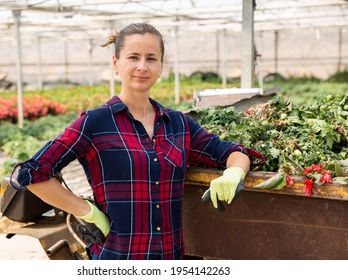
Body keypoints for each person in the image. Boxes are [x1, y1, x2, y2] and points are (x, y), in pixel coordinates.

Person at [16, 23, 254, 260]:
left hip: (170, 257)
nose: (142, 66)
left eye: (151, 58)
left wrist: (234, 173)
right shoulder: (96, 122)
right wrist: (86, 211)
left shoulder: (179, 124)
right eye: (133, 57)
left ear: (161, 67)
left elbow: (234, 152)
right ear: (116, 63)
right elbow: (32, 173)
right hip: (118, 257)